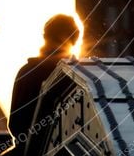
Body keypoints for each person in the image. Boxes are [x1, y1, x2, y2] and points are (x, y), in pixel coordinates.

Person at [9, 13, 80, 141]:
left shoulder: (26, 72)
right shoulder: (79, 75)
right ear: (73, 41)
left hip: (29, 155)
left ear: (45, 37)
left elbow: (15, 125)